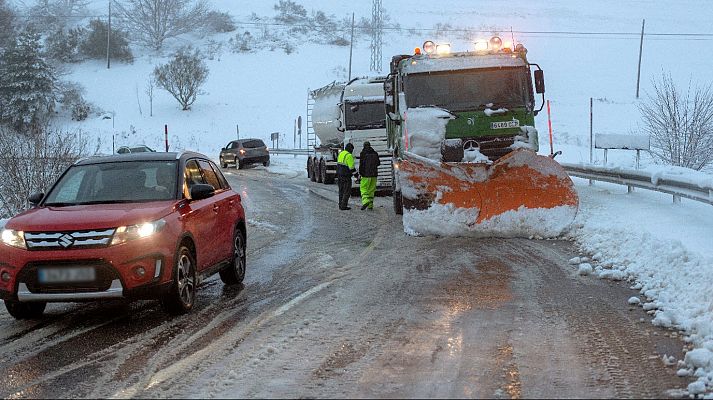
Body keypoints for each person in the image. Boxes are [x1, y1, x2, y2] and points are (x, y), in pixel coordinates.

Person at [358, 141, 381, 210]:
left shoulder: (363, 153)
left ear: (364, 146)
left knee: (363, 188)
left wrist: (360, 173)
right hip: (374, 175)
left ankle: (365, 201)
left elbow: (361, 165)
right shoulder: (375, 153)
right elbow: (378, 163)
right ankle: (370, 205)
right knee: (371, 190)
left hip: (366, 175)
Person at [336, 143, 357, 210]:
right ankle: (343, 206)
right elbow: (352, 168)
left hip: (339, 175)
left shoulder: (341, 153)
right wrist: (357, 176)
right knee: (347, 191)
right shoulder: (349, 156)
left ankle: (340, 205)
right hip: (346, 176)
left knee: (341, 191)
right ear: (350, 149)